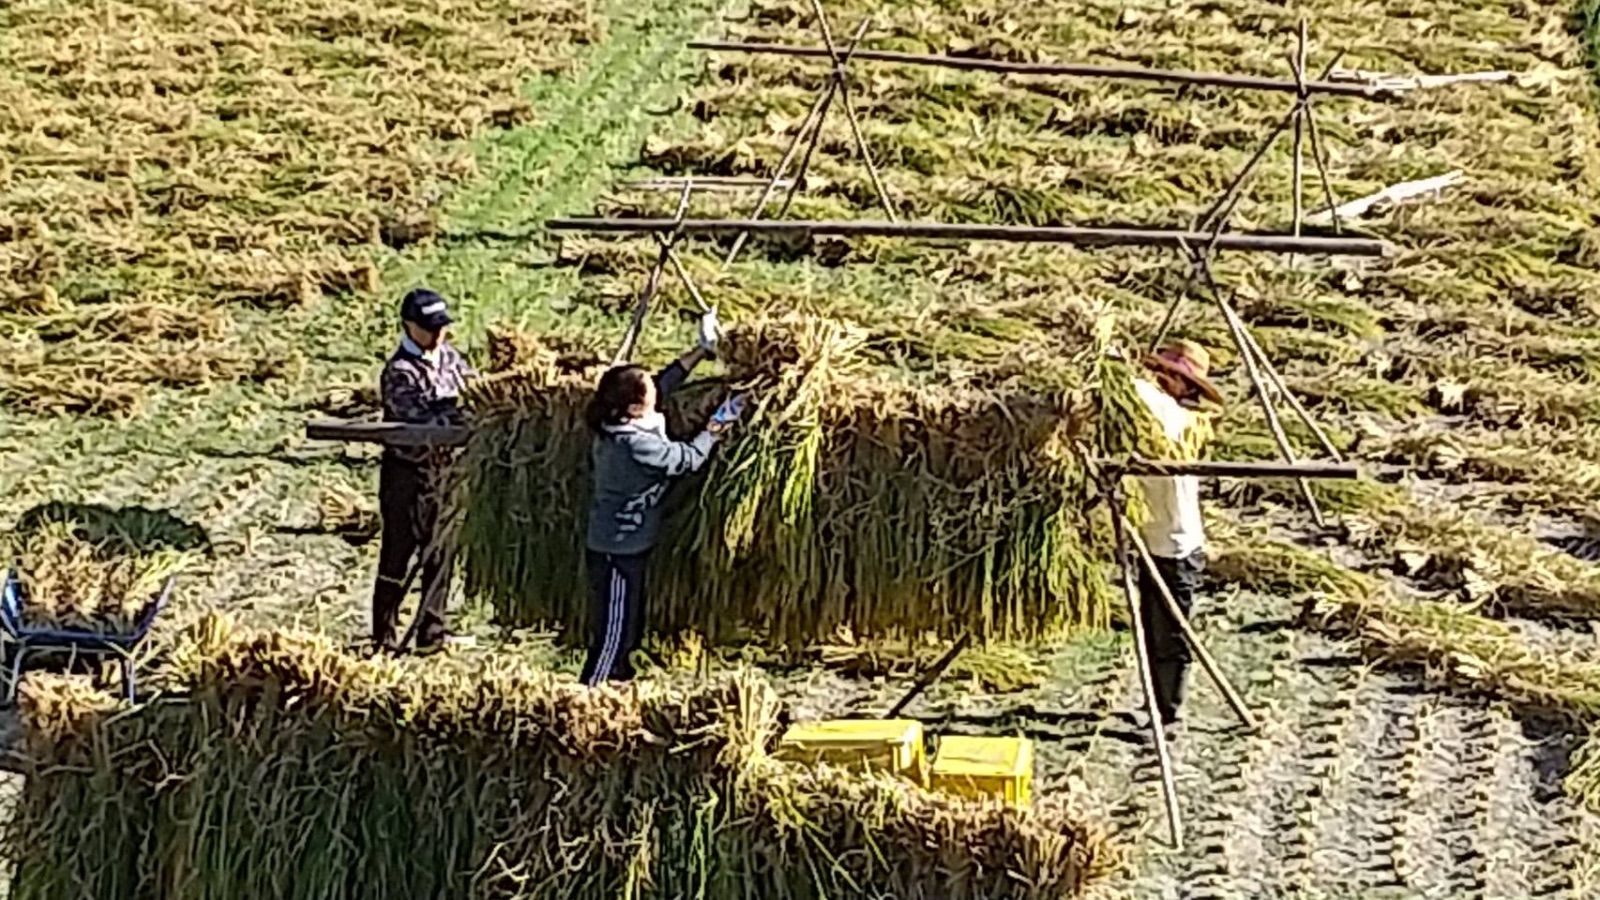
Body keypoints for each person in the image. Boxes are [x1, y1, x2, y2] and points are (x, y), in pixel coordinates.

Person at [581, 310, 740, 685]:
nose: (657, 392)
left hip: (621, 547)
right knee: (613, 637)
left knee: (628, 630)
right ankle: (588, 699)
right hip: (618, 552)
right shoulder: (635, 445)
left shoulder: (617, 420)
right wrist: (721, 421)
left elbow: (662, 384)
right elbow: (689, 458)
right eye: (649, 393)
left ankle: (615, 695)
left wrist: (700, 352)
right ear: (636, 406)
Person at [372, 288, 477, 653]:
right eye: (429, 328)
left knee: (440, 553)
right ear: (408, 326)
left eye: (441, 327)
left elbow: (474, 395)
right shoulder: (399, 371)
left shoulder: (451, 358)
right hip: (407, 474)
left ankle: (431, 633)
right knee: (398, 555)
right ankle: (383, 636)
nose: (437, 335)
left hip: (446, 473)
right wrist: (457, 415)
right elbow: (421, 421)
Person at [1133, 338, 1222, 726]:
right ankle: (1155, 704)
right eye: (1162, 372)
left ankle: (1167, 714)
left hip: (1177, 548)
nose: (1162, 379)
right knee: (1151, 630)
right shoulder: (1158, 413)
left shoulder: (1180, 420)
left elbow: (1143, 398)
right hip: (1151, 540)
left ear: (1187, 387)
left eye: (1171, 375)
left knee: (1171, 635)